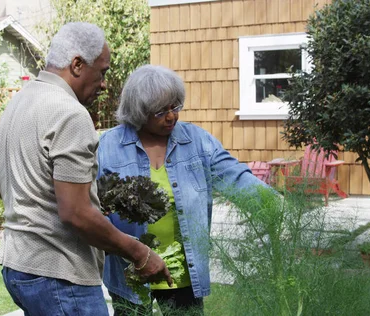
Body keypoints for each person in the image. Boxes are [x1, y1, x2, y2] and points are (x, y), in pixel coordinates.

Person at [0, 23, 172, 316]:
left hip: (18, 268)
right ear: (77, 65)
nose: (106, 84)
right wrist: (140, 253)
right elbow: (76, 213)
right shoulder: (71, 114)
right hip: (61, 277)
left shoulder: (19, 101)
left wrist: (45, 209)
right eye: (103, 72)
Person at [97, 65, 268, 315]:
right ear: (139, 110)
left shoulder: (196, 141)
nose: (171, 117)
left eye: (175, 107)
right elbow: (89, 203)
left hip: (182, 274)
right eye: (161, 111)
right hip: (128, 274)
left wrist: (272, 202)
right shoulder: (107, 146)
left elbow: (234, 176)